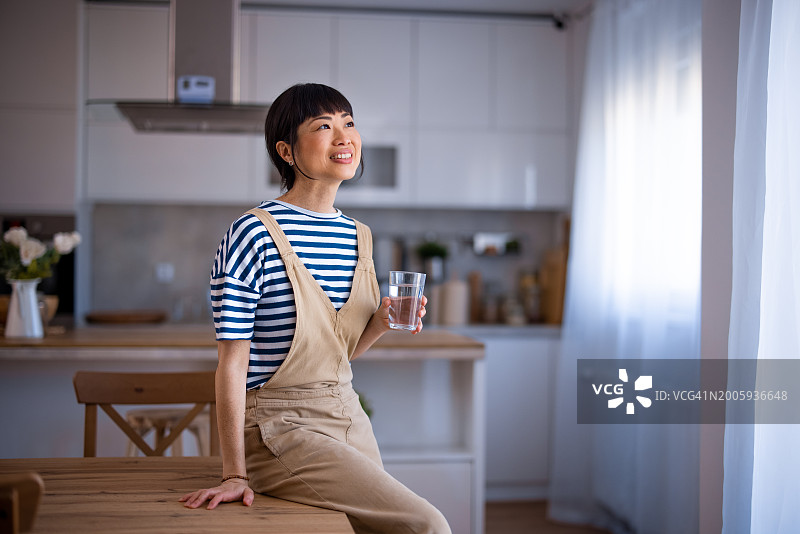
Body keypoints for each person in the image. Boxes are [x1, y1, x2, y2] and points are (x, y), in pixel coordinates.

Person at [179, 83, 451, 534]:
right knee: (426, 524)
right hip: (277, 427)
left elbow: (337, 354)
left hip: (346, 413)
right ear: (286, 151)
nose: (344, 137)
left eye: (348, 123)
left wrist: (381, 322)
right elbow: (232, 364)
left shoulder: (358, 236)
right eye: (323, 126)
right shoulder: (252, 233)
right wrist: (234, 473)